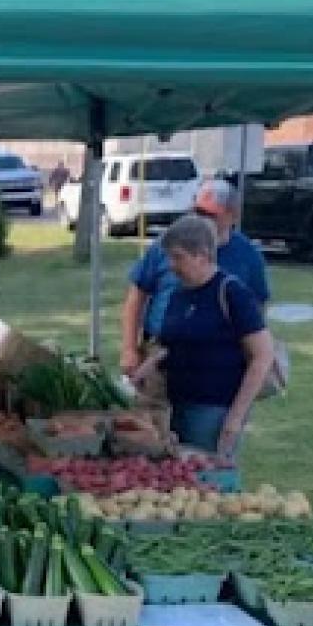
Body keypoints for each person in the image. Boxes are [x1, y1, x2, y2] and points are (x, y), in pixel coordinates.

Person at [133, 216, 275, 457]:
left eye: (178, 257)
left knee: (208, 484)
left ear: (202, 255)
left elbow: (263, 356)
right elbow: (172, 345)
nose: (171, 265)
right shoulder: (179, 293)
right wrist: (145, 368)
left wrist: (235, 418)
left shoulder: (231, 293)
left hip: (214, 412)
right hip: (174, 406)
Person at [120, 177, 270, 378]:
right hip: (159, 350)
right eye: (197, 211)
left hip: (216, 358)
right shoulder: (167, 244)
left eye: (210, 214)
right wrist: (129, 348)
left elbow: (257, 309)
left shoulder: (248, 255)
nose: (201, 219)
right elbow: (136, 296)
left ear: (232, 216)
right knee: (152, 407)